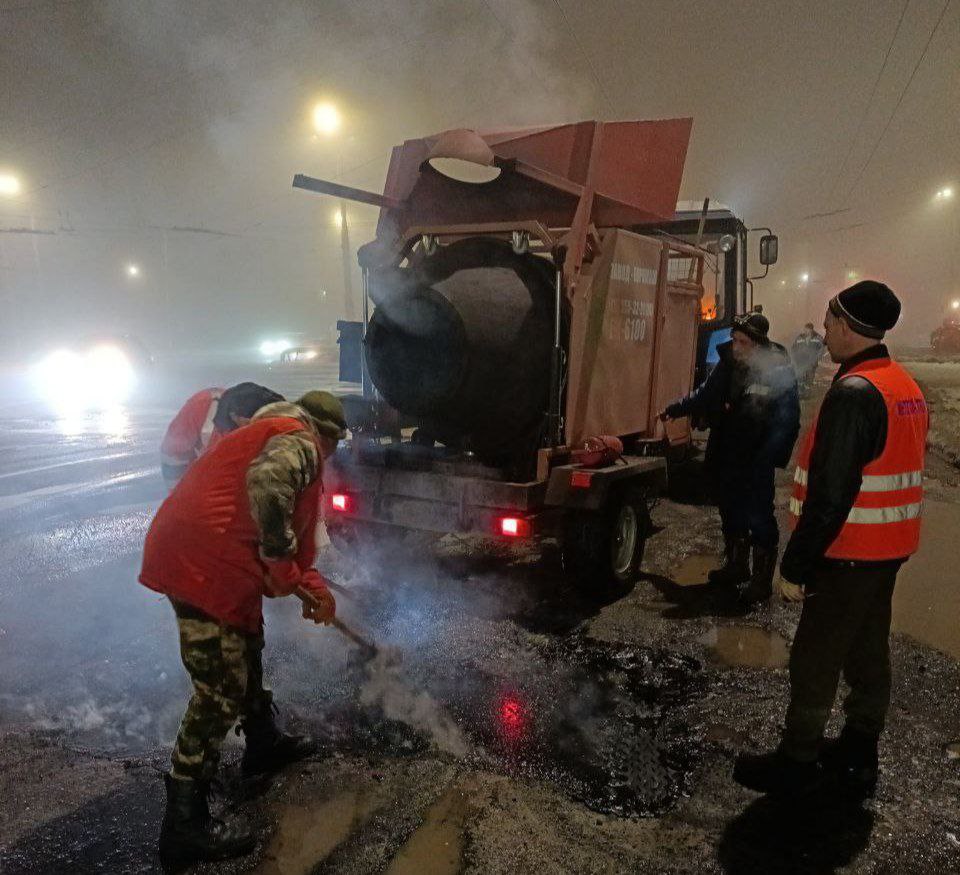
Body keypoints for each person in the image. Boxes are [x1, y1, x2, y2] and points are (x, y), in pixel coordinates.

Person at [734, 281, 928, 796]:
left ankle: (796, 761)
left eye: (828, 319)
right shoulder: (902, 385)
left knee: (814, 660)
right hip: (886, 552)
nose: (823, 329)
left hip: (846, 555)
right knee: (867, 651)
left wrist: (795, 566)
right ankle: (860, 750)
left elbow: (830, 496)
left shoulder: (854, 394)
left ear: (847, 326)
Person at [140, 391, 347, 864]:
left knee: (247, 640)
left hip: (222, 558)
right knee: (220, 689)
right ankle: (183, 826)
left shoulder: (264, 433)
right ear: (328, 435)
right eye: (334, 445)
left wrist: (310, 585)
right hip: (202, 561)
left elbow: (294, 539)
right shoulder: (299, 441)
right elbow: (269, 485)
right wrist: (278, 563)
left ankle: (263, 743)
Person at [661, 312, 800, 603]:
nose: (736, 346)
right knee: (730, 508)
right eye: (734, 340)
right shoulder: (728, 364)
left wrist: (769, 457)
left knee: (759, 516)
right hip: (728, 450)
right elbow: (706, 395)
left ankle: (761, 581)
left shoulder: (777, 371)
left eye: (743, 342)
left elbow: (788, 421)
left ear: (759, 345)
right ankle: (737, 567)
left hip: (757, 456)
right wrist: (675, 409)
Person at [160, 382, 284, 487]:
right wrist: (179, 494)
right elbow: (173, 455)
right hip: (200, 484)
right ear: (235, 416)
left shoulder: (277, 422)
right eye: (250, 422)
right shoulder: (202, 407)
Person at [791, 322, 825, 396]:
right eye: (805, 329)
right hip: (800, 362)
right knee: (800, 377)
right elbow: (793, 348)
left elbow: (822, 349)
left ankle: (807, 393)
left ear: (811, 330)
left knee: (809, 378)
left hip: (811, 362)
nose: (805, 331)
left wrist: (816, 359)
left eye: (807, 329)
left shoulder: (817, 338)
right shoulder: (799, 337)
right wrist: (794, 358)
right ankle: (800, 393)